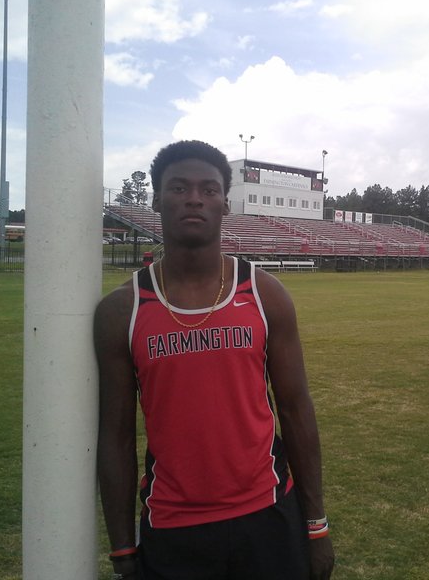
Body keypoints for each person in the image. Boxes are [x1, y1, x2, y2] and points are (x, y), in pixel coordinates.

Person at [95, 139, 335, 579]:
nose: (194, 198)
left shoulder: (265, 294)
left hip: (268, 513)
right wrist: (122, 548)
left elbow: (296, 409)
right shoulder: (121, 310)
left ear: (225, 204)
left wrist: (316, 525)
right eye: (179, 187)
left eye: (208, 189)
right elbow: (114, 436)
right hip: (173, 526)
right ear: (155, 200)